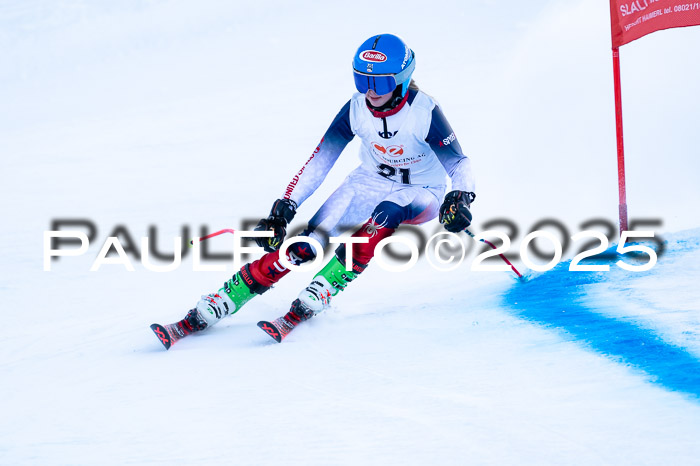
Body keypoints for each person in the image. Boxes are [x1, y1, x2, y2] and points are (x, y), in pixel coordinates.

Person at [152, 33, 476, 346]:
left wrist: (460, 197)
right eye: (362, 80)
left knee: (385, 214)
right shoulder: (356, 108)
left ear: (402, 80)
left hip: (423, 191)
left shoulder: (423, 112)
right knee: (306, 244)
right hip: (369, 181)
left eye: (379, 83)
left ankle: (322, 288)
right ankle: (227, 297)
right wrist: (286, 206)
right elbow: (322, 158)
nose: (370, 91)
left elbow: (458, 163)